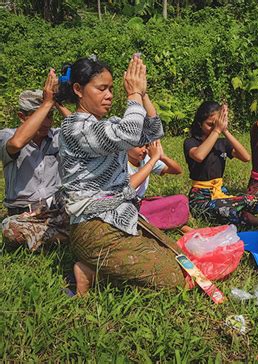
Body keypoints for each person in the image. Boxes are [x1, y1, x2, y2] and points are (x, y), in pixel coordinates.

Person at [57, 55, 190, 295]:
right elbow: (129, 135)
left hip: (121, 217)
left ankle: (96, 268)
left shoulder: (106, 125)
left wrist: (142, 93)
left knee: (180, 260)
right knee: (173, 280)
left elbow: (152, 131)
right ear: (78, 89)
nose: (109, 95)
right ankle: (90, 272)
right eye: (101, 88)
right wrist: (133, 96)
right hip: (93, 227)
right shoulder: (75, 128)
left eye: (111, 88)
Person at [1, 70, 70, 251]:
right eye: (40, 116)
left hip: (56, 208)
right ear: (22, 117)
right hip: (25, 214)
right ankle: (64, 237)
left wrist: (57, 103)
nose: (47, 123)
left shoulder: (55, 136)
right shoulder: (7, 135)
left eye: (50, 116)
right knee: (10, 230)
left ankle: (54, 236)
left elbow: (85, 131)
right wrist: (46, 104)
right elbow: (17, 143)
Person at [184, 101, 258, 227]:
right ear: (200, 123)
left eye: (216, 124)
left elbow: (246, 157)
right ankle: (253, 220)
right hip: (201, 197)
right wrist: (216, 130)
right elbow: (199, 156)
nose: (214, 128)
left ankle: (249, 218)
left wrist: (225, 131)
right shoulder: (191, 142)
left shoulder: (222, 143)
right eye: (210, 125)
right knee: (225, 209)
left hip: (221, 192)